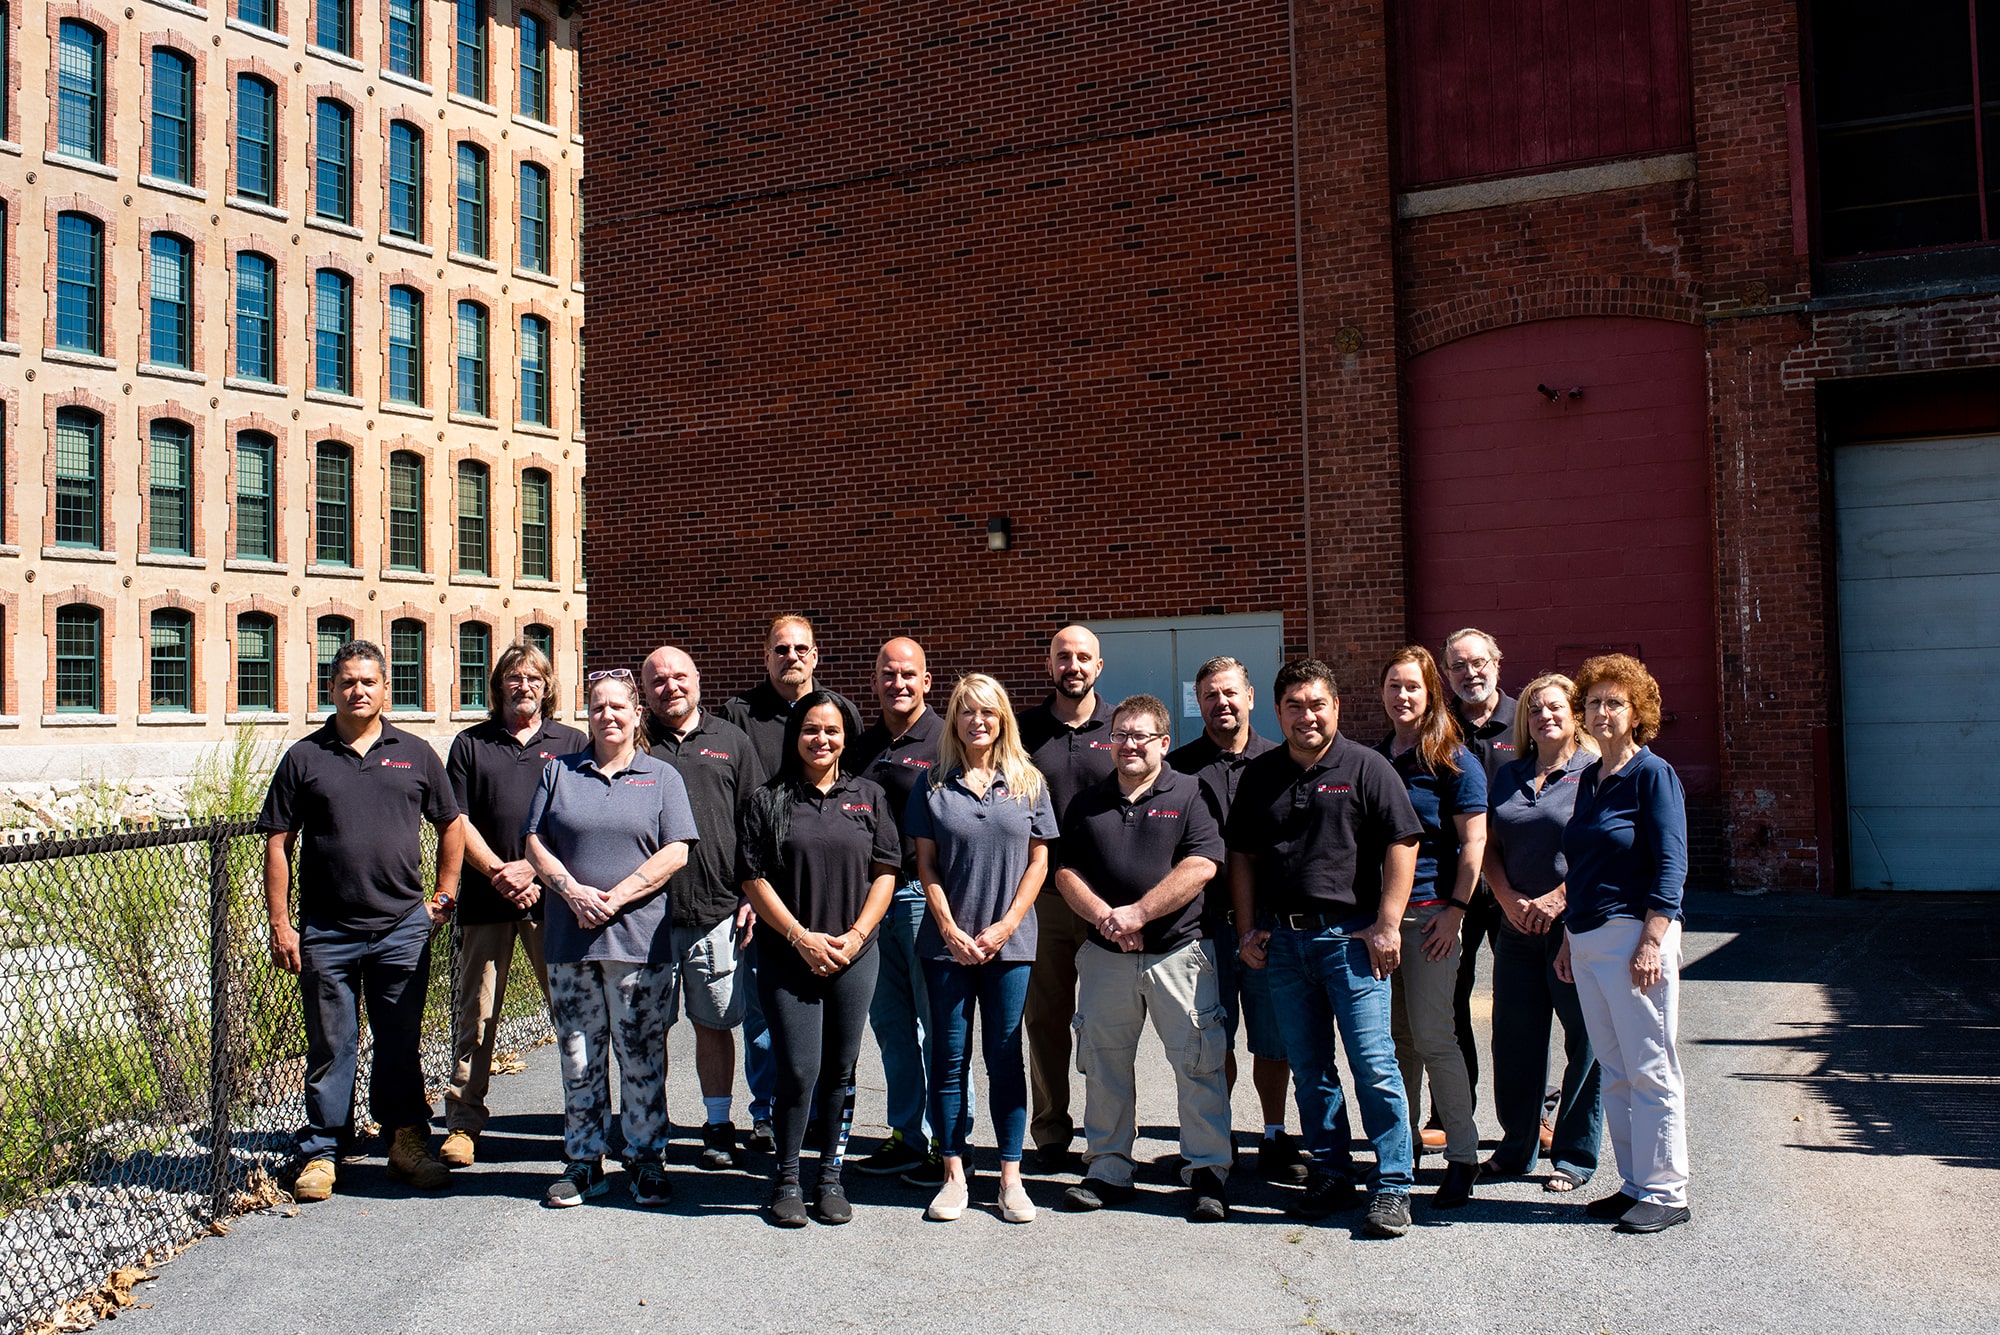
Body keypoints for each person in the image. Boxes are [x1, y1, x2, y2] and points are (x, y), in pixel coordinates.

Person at [258, 639, 463, 1201]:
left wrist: (443, 898)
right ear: (332, 688)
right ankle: (323, 1150)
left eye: (368, 681)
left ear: (385, 689)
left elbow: (451, 824)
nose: (358, 690)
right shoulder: (305, 757)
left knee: (400, 1040)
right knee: (331, 1042)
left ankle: (405, 1143)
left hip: (402, 927)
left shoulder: (416, 753)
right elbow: (279, 842)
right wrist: (281, 924)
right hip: (327, 930)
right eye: (347, 681)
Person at [1226, 659, 1423, 1239]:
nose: (1306, 715)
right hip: (1285, 943)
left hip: (1352, 939)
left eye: (1317, 704)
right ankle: (1332, 1170)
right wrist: (1246, 930)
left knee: (1374, 1064)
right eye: (1295, 706)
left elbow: (1401, 842)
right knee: (1311, 1069)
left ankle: (1392, 1185)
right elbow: (1243, 855)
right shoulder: (1262, 775)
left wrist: (1388, 924)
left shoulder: (1367, 766)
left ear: (1336, 707)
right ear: (1278, 710)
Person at [524, 669, 698, 1208]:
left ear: (636, 713)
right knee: (578, 1054)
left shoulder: (662, 776)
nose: (608, 715)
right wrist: (573, 891)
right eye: (597, 707)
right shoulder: (559, 773)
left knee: (641, 1052)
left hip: (638, 943)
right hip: (570, 941)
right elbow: (533, 840)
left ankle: (646, 1160)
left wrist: (615, 897)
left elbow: (677, 851)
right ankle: (584, 1161)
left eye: (618, 706)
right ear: (588, 715)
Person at [1055, 695, 1232, 1222]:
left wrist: (1139, 914)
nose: (1129, 745)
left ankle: (1206, 1171)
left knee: (1198, 1061)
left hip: (1179, 953)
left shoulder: (1190, 792)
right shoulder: (1086, 802)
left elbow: (1202, 864)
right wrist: (1109, 918)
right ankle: (1108, 1166)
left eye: (1141, 736)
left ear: (1163, 742)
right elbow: (1066, 873)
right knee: (1104, 1063)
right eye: (1121, 736)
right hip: (1106, 957)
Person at [737, 692, 899, 1226]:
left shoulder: (869, 797)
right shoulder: (768, 799)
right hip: (789, 956)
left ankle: (830, 1177)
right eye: (811, 729)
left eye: (831, 730)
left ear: (846, 736)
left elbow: (885, 872)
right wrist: (801, 937)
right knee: (799, 1070)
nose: (821, 739)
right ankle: (785, 1179)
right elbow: (754, 878)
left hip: (856, 955)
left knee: (839, 1070)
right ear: (795, 736)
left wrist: (855, 936)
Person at [905, 673, 1058, 1225]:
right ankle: (953, 1173)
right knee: (947, 1061)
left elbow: (1040, 861)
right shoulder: (933, 784)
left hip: (1009, 946)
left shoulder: (1028, 782)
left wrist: (1006, 925)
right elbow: (925, 865)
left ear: (1002, 719)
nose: (978, 721)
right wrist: (947, 926)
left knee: (1004, 1058)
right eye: (967, 711)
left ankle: (1011, 1177)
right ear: (954, 719)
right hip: (946, 947)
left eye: (988, 712)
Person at [1556, 654, 1692, 1234]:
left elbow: (1671, 863)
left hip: (1635, 936)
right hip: (1587, 937)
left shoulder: (1652, 774)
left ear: (1637, 713)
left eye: (1615, 702)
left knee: (1650, 1066)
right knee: (1614, 1068)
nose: (1602, 711)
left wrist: (1652, 940)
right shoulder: (1589, 777)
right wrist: (1568, 936)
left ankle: (1667, 1191)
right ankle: (1634, 1182)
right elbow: (1582, 865)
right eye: (1593, 702)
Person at [440, 642, 587, 1168]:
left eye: (533, 677)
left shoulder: (572, 742)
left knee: (571, 1012)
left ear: (548, 686)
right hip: (486, 900)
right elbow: (456, 821)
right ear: (499, 685)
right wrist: (501, 872)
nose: (523, 685)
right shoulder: (470, 745)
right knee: (476, 1014)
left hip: (555, 904)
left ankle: (583, 1115)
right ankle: (462, 1122)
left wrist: (534, 872)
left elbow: (580, 820)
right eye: (513, 677)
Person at [720, 614, 860, 1151]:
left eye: (802, 648)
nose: (792, 657)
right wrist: (745, 890)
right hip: (758, 889)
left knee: (831, 1020)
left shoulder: (832, 714)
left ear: (816, 656)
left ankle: (824, 1113)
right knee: (762, 1012)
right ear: (766, 656)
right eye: (781, 649)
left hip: (823, 888)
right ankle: (766, 1111)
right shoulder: (738, 715)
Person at [1165, 655, 1303, 1184]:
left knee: (1273, 1039)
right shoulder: (1178, 769)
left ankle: (1273, 1133)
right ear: (1197, 704)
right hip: (1201, 927)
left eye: (1229, 693)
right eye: (1209, 696)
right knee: (1211, 1038)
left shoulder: (1284, 760)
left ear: (1249, 697)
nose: (1221, 703)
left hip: (1269, 925)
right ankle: (1214, 1136)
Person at [641, 645, 766, 1170]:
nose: (671, 686)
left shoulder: (731, 741)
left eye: (680, 677)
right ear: (645, 692)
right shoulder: (635, 744)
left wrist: (750, 894)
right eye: (659, 680)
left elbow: (758, 824)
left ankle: (718, 1124)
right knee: (650, 1027)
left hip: (716, 911)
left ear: (698, 680)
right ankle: (651, 1125)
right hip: (644, 918)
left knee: (715, 1021)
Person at [1482, 672, 1602, 1192]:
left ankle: (1574, 1156)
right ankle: (1516, 1149)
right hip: (1516, 928)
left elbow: (1605, 850)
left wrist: (1560, 899)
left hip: (1574, 929)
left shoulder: (1595, 773)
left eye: (1555, 707)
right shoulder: (1509, 775)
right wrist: (1507, 898)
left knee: (1586, 1040)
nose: (1545, 716)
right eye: (1534, 710)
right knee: (1514, 1039)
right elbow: (1486, 844)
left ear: (1574, 715)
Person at [1376, 646, 1486, 1209]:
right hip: (1382, 923)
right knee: (1398, 1044)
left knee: (1435, 1036)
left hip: (1433, 917)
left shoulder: (1455, 761)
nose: (1403, 697)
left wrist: (1456, 910)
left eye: (1413, 687)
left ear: (1430, 693)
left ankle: (1462, 1158)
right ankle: (1403, 1151)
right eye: (1394, 686)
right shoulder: (1375, 760)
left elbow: (1474, 842)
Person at [848, 637, 950, 1185]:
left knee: (939, 1026)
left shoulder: (947, 740)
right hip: (869, 903)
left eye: (909, 674)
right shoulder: (860, 746)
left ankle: (950, 1141)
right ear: (875, 682)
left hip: (922, 898)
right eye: (888, 674)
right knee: (890, 1025)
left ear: (927, 681)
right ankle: (908, 1135)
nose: (899, 683)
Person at [1016, 624, 1117, 1172]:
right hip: (1045, 899)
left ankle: (1105, 1132)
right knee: (1046, 1019)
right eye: (1063, 657)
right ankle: (1051, 1130)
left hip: (1109, 900)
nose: (1073, 665)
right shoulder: (1023, 730)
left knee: (1106, 1023)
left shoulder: (1122, 727)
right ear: (1049, 665)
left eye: (1083, 657)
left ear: (1098, 667)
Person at [1438, 628, 1516, 1143]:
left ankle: (1531, 1113)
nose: (1470, 673)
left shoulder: (1530, 720)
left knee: (1522, 1006)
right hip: (1455, 888)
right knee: (1448, 1003)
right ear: (1447, 675)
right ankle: (1450, 1113)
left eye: (1478, 662)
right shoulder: (1438, 730)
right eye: (1458, 666)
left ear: (1497, 662)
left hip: (1516, 887)